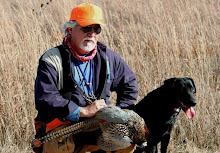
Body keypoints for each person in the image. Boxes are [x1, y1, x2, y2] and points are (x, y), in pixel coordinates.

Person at [34, 2, 138, 153]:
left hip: (99, 123)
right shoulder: (51, 59)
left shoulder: (108, 57)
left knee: (126, 140)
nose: (92, 33)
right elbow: (45, 98)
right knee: (57, 147)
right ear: (69, 30)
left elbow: (129, 84)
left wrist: (118, 113)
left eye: (97, 29)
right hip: (62, 125)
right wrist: (82, 111)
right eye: (86, 28)